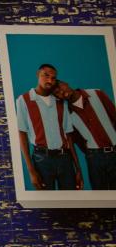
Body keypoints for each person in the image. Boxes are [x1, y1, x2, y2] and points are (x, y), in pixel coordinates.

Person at [15, 63, 81, 191]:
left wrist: (78, 169)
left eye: (53, 78)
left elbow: (68, 135)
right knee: (48, 205)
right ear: (37, 75)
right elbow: (22, 134)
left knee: (71, 203)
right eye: (46, 75)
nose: (50, 80)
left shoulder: (60, 101)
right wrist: (31, 171)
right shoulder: (23, 100)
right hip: (41, 160)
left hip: (65, 159)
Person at [53, 79, 116, 190]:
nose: (61, 93)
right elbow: (76, 140)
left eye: (60, 88)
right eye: (57, 93)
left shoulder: (97, 94)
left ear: (65, 83)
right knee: (100, 194)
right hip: (94, 158)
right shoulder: (66, 113)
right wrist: (91, 153)